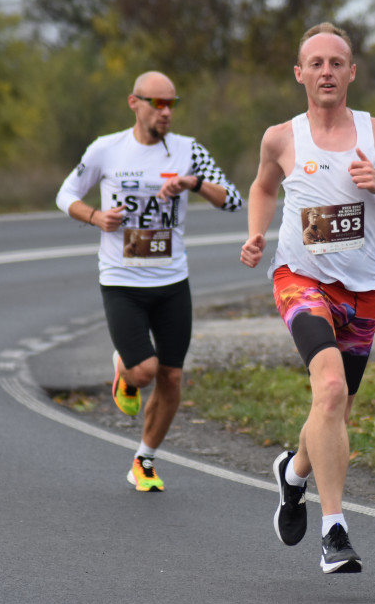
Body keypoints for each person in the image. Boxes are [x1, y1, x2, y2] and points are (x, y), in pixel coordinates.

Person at [240, 22, 375, 573]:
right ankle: (335, 530)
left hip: (363, 291)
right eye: (315, 62)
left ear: (351, 72)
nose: (326, 71)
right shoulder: (281, 137)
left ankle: (293, 473)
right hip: (300, 280)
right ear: (299, 73)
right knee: (328, 387)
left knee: (333, 409)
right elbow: (263, 186)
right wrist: (255, 231)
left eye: (336, 62)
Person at [57, 70, 243, 492]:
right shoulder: (107, 149)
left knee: (172, 378)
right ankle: (124, 369)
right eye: (157, 103)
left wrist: (193, 183)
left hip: (172, 279)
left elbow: (233, 200)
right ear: (133, 103)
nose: (165, 112)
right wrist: (94, 216)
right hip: (122, 279)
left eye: (172, 104)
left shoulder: (187, 150)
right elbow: (65, 193)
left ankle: (144, 459)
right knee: (145, 371)